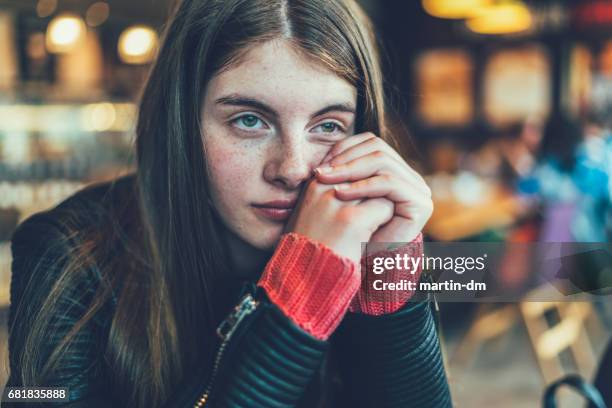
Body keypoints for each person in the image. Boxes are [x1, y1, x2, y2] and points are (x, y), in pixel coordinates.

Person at [4, 0, 452, 407]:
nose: (293, 169)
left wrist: (386, 274)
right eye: (249, 120)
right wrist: (297, 301)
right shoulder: (66, 251)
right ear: (181, 122)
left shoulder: (362, 239)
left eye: (328, 126)